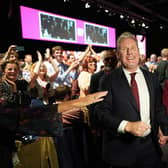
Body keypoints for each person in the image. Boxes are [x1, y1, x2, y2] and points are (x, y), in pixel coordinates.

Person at [94, 31, 168, 168]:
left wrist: (164, 128)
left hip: (151, 148)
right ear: (118, 54)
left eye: (133, 48)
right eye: (124, 49)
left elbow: (158, 108)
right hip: (121, 151)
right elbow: (100, 113)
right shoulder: (108, 80)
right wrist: (126, 126)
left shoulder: (151, 78)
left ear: (138, 51)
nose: (130, 53)